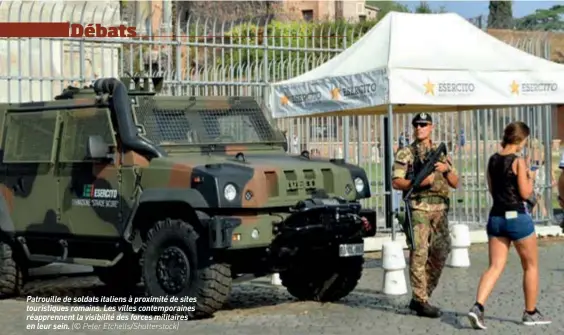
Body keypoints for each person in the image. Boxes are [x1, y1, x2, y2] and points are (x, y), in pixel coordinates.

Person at [467, 121, 551, 329]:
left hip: (496, 217)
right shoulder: (518, 162)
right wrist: (530, 177)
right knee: (530, 265)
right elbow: (525, 193)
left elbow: (492, 188)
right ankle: (530, 312)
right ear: (520, 140)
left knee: (495, 266)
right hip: (517, 218)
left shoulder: (492, 160)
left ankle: (478, 307)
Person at [391, 112, 459, 318]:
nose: (419, 128)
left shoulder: (441, 153)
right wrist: (417, 183)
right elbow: (396, 182)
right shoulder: (406, 153)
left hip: (440, 209)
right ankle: (420, 300)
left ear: (431, 127)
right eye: (416, 125)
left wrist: (446, 170)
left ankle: (423, 293)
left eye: (424, 124)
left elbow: (455, 183)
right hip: (419, 207)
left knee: (441, 251)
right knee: (419, 253)